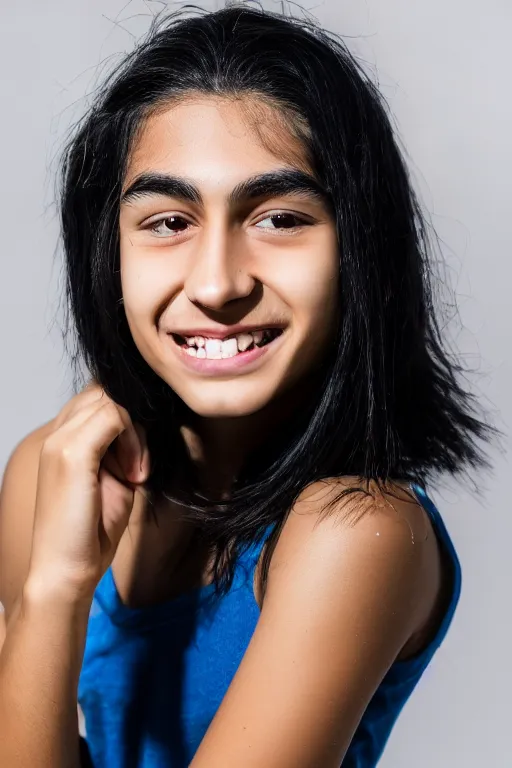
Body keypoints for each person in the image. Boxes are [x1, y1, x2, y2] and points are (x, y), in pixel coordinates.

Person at [0, 5, 494, 767]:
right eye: (168, 222)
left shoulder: (359, 531)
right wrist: (56, 588)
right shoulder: (50, 472)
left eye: (279, 218)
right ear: (109, 253)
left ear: (359, 249)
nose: (218, 282)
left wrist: (52, 593)